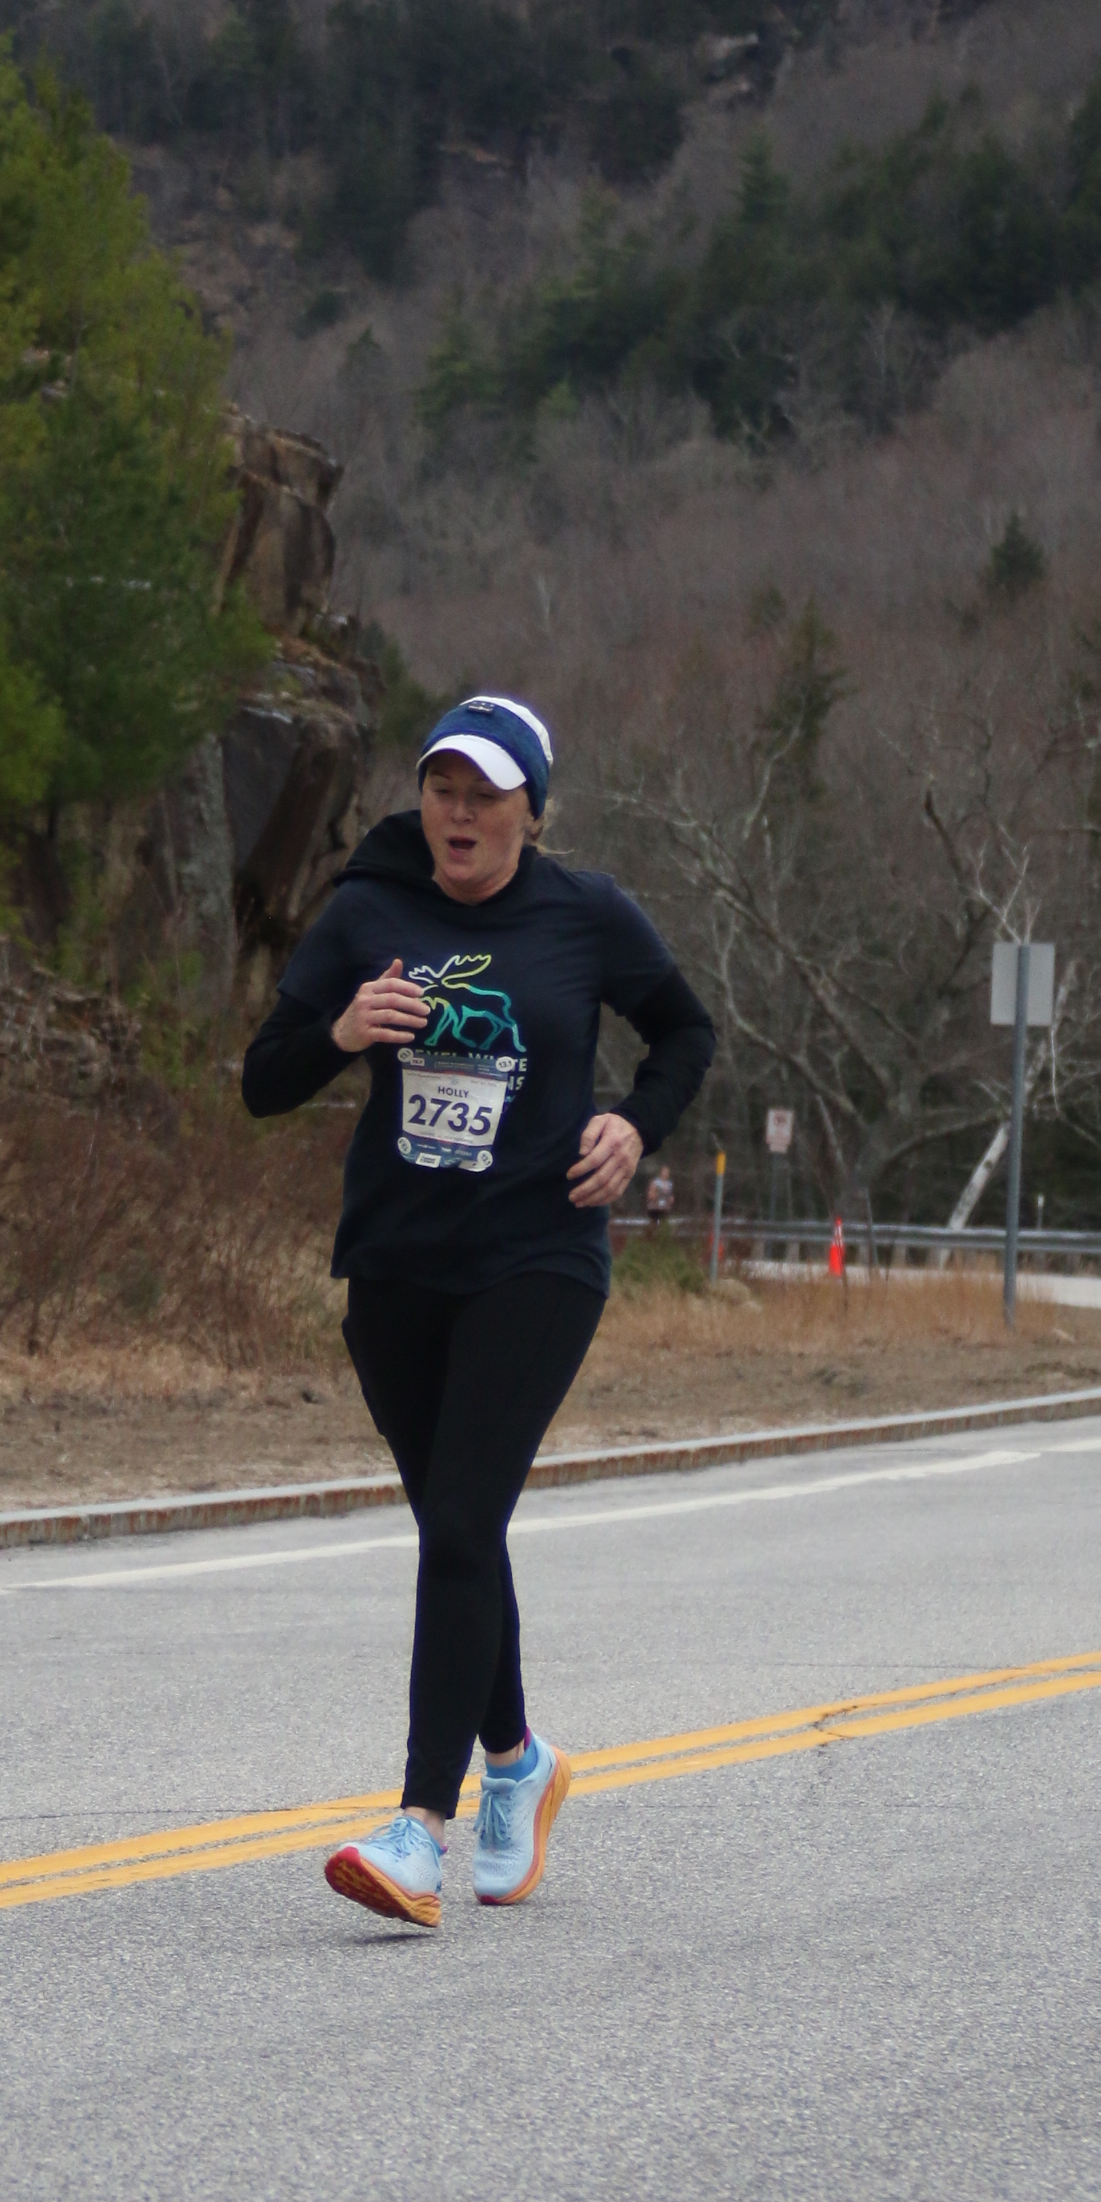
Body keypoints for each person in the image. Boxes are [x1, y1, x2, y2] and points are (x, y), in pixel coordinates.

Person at [242, 692, 714, 1928]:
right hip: (396, 1264)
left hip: (536, 1256)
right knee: (458, 1530)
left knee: (458, 1519)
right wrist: (342, 1029)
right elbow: (261, 1080)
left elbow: (683, 1032)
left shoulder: (584, 914)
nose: (457, 813)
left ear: (529, 814)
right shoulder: (366, 913)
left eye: (485, 795)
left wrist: (635, 1126)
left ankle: (417, 1830)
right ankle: (517, 1759)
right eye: (441, 789)